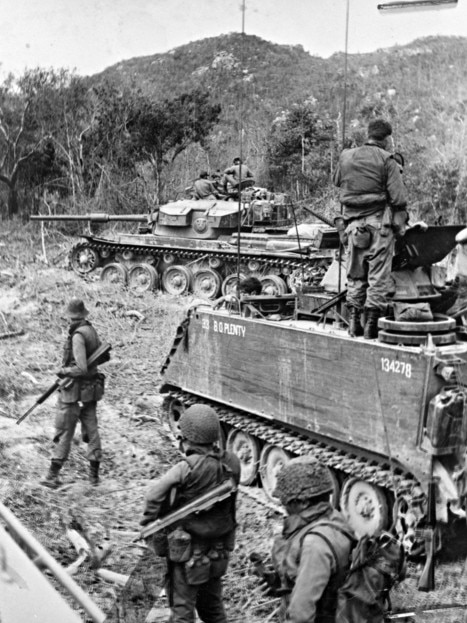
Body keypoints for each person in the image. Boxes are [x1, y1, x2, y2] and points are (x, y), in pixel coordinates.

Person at [140, 404, 241, 623]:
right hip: (218, 548)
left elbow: (153, 497)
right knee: (213, 607)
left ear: (186, 437)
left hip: (188, 551)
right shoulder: (232, 462)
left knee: (182, 610)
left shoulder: (185, 468)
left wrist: (149, 524)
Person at [333, 118, 408, 339]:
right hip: (379, 227)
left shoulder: (346, 155)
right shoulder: (387, 160)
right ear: (386, 139)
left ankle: (354, 324)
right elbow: (398, 198)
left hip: (353, 227)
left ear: (368, 134)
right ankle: (371, 328)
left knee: (355, 274)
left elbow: (337, 180)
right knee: (378, 277)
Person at [270, 459, 355, 623]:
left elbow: (301, 614)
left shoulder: (314, 544)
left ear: (303, 503)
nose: (283, 506)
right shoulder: (334, 518)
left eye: (287, 501)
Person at [41, 298, 105, 488]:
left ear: (72, 317)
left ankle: (52, 477)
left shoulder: (78, 335)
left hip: (74, 392)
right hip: (90, 392)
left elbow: (82, 368)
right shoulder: (90, 330)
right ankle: (94, 477)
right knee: (92, 432)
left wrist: (63, 372)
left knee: (64, 432)